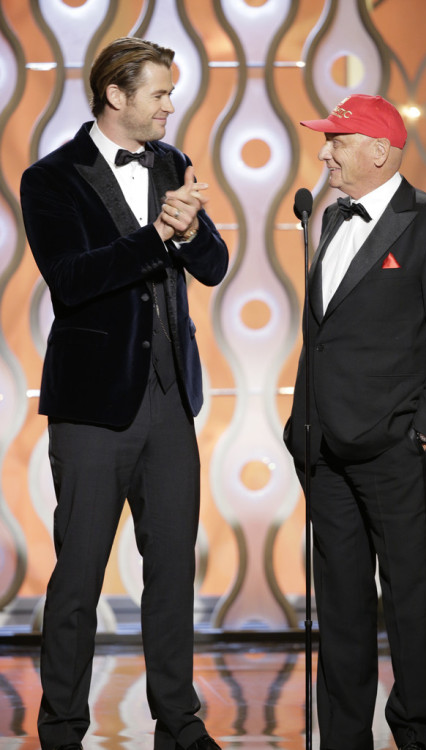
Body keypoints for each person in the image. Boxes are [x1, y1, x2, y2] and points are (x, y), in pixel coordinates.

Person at [20, 37, 228, 750]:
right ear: (117, 95)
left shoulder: (171, 163)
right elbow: (73, 279)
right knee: (77, 577)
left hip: (172, 401)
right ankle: (62, 729)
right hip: (93, 406)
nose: (172, 105)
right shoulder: (51, 179)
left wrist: (191, 229)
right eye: (160, 93)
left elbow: (213, 264)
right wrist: (156, 234)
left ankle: (180, 722)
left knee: (172, 572)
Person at [284, 94, 426, 750]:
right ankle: (343, 738)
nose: (325, 152)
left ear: (378, 148)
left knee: (409, 602)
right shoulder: (328, 221)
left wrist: (424, 433)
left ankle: (417, 735)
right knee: (340, 605)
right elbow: (326, 335)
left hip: (394, 448)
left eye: (337, 140)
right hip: (324, 447)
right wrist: (301, 425)